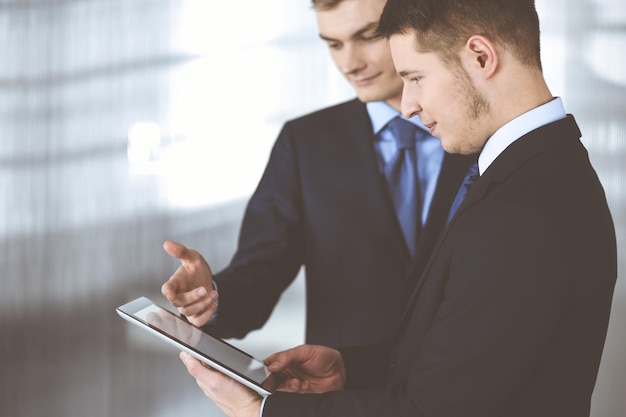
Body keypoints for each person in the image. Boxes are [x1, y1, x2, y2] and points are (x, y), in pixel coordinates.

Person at [178, 0, 618, 416]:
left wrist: (260, 410)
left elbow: (436, 408)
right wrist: (350, 368)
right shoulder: (537, 171)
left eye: (416, 77)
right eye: (333, 43)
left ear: (481, 57)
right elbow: (476, 362)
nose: (409, 105)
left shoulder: (519, 206)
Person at [161, 0, 472, 349]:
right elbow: (260, 272)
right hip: (345, 394)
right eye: (334, 44)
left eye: (369, 36)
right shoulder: (305, 143)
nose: (349, 64)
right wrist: (211, 296)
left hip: (467, 386)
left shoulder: (482, 133)